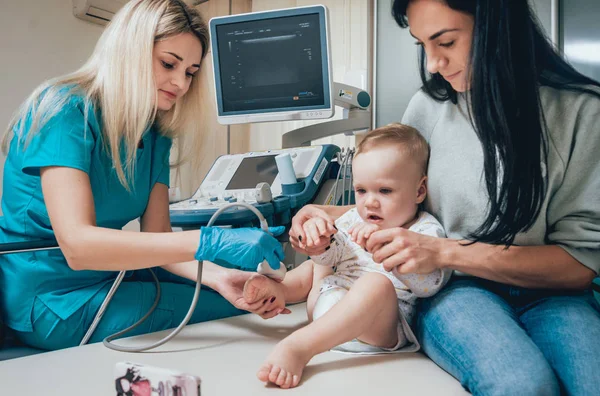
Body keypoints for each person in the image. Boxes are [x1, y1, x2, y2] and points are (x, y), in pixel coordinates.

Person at [286, 0, 600, 395]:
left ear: (496, 27)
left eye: (446, 42)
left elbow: (579, 264)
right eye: (423, 46)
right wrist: (320, 213)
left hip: (556, 296)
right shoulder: (430, 107)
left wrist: (444, 251)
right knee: (523, 384)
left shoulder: (581, 113)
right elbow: (397, 203)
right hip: (457, 291)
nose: (434, 64)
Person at [0, 0, 288, 351]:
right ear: (129, 51)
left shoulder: (155, 134)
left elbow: (159, 239)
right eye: (169, 64)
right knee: (236, 318)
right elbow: (78, 247)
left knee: (234, 287)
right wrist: (208, 241)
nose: (181, 83)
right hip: (53, 299)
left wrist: (218, 277)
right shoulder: (64, 111)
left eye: (191, 72)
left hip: (111, 275)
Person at [243, 124, 452, 389]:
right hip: (327, 308)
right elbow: (330, 259)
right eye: (362, 191)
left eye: (385, 191)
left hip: (376, 329)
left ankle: (301, 346)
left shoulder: (424, 231)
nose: (370, 203)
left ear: (419, 191)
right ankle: (279, 290)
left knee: (376, 283)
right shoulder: (353, 217)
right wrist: (321, 244)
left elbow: (429, 285)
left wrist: (383, 251)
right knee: (314, 269)